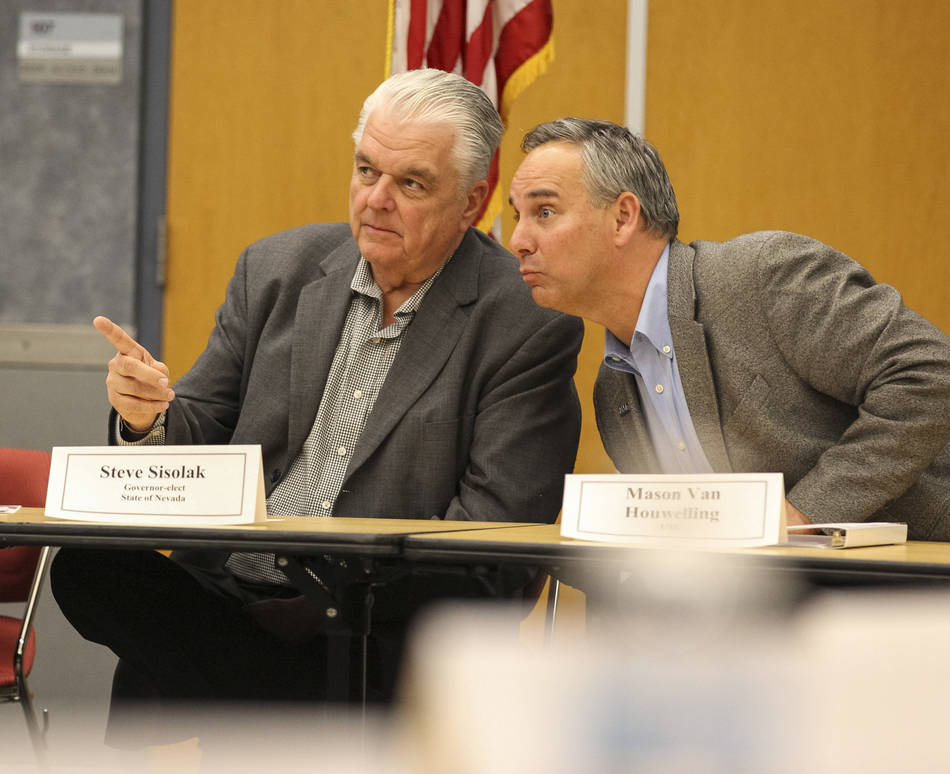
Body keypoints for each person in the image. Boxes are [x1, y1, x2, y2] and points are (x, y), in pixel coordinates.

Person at [49, 70, 584, 745]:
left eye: (410, 183)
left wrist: (325, 603)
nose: (376, 200)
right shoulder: (277, 270)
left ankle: (268, 710)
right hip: (231, 598)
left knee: (304, 646)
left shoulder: (526, 320)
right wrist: (146, 418)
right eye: (366, 170)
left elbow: (493, 534)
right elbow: (199, 431)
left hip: (372, 614)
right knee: (88, 567)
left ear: (472, 201)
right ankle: (279, 708)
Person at [508, 117, 950, 545]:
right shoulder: (613, 392)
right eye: (518, 216)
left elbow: (936, 377)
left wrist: (805, 513)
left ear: (624, 217)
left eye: (545, 211)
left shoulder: (762, 276)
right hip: (792, 632)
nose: (518, 241)